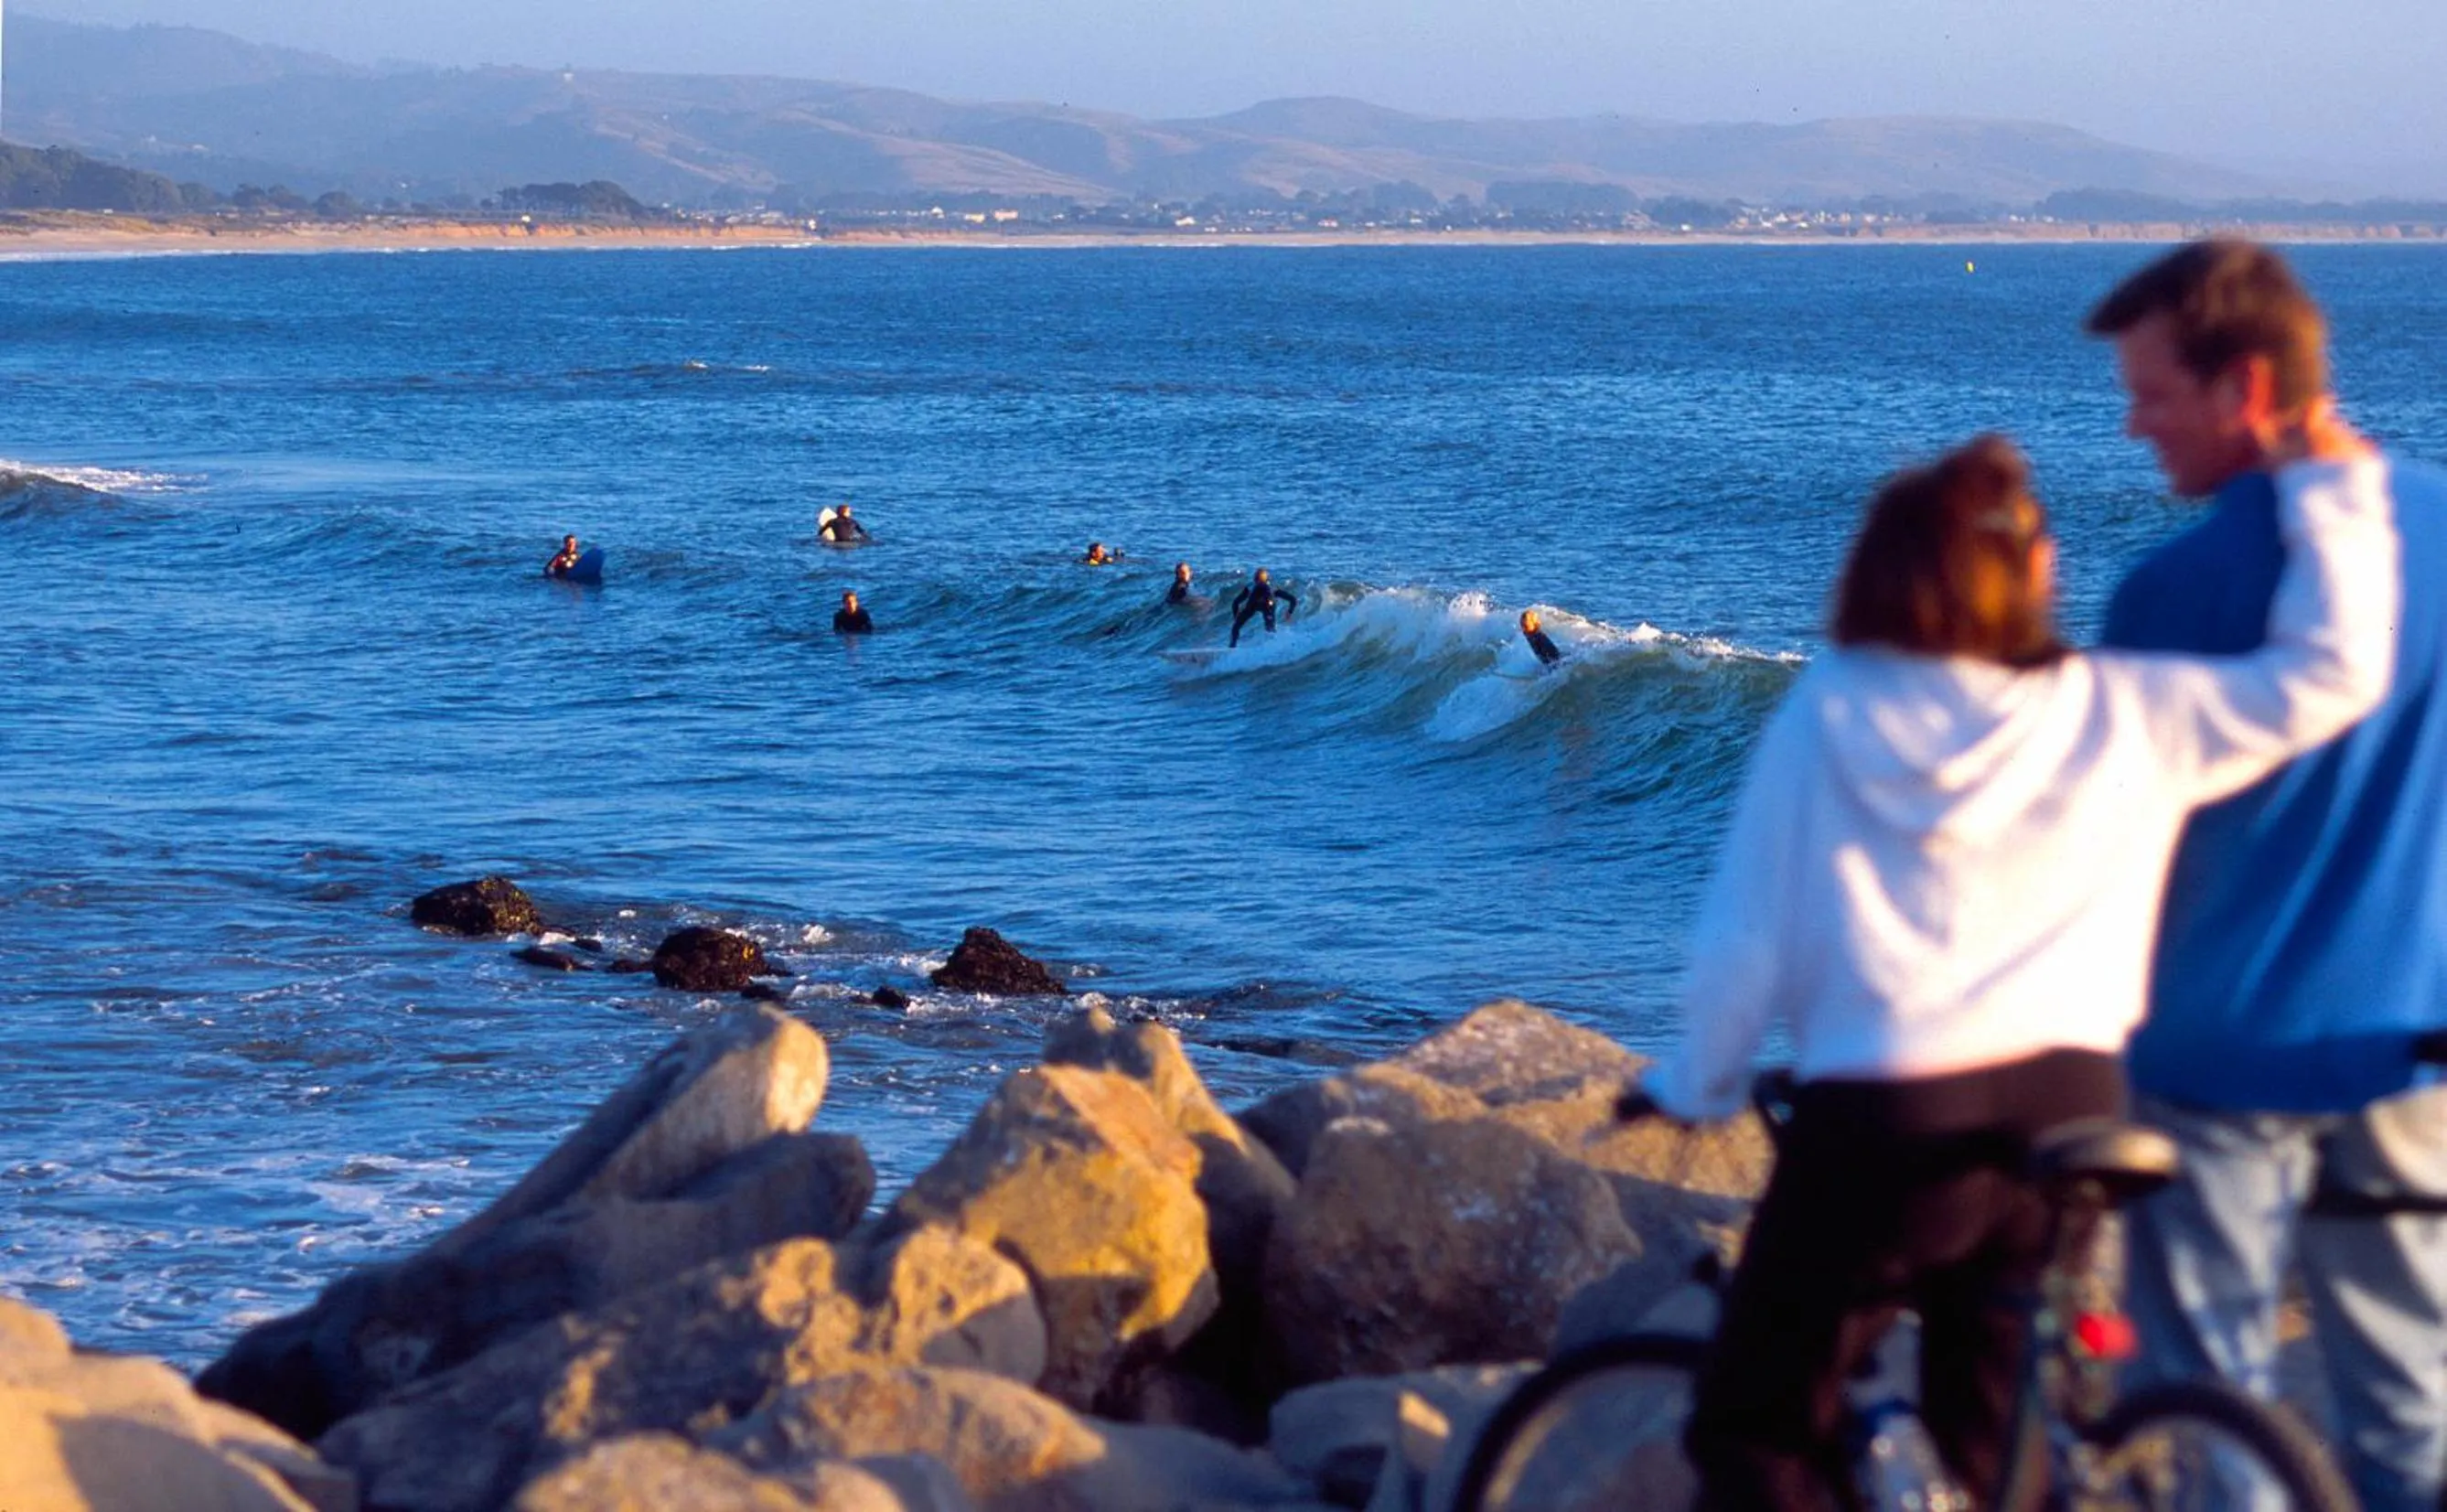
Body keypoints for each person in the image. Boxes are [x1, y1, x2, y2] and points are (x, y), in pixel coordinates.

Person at [1635, 426, 2393, 1512]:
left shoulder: (1836, 707)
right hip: (2068, 1105)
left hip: (1892, 1107)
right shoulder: (2125, 704)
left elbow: (1741, 941)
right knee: (1998, 1450)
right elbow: (2328, 676)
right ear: (2034, 571)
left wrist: (1696, 1083)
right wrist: (2333, 494)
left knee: (1755, 1422)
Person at [2089, 239, 2447, 1512]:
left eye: (2150, 394)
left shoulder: (2172, 592)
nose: (2132, 425)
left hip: (2213, 1056)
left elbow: (2109, 843)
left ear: (2243, 387)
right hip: (2406, 1046)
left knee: (2217, 1421)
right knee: (2410, 1409)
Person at [1228, 568, 1298, 647]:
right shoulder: (1272, 588)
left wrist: (1236, 616)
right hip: (1266, 606)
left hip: (1255, 605)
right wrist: (1289, 612)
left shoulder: (1251, 587)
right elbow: (1293, 599)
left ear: (1255, 579)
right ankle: (1273, 647)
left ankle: (1232, 646)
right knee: (1271, 630)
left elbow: (1235, 603)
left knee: (1236, 627)